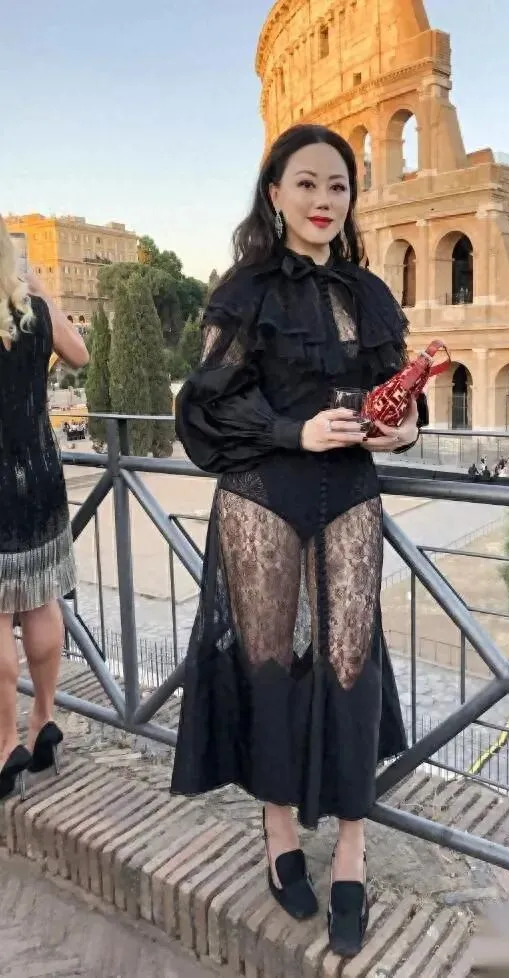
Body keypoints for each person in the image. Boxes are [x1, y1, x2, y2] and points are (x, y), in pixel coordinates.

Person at [170, 124, 422, 958]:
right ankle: (278, 830)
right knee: (268, 666)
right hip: (263, 497)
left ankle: (352, 848)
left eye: (338, 186)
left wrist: (405, 428)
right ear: (275, 193)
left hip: (350, 493)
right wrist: (293, 430)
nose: (323, 200)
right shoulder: (243, 290)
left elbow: (396, 391)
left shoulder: (368, 292)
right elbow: (204, 409)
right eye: (306, 184)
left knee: (351, 665)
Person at [0, 215, 89, 802]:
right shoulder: (33, 311)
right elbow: (79, 354)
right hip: (40, 477)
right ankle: (45, 719)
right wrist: (41, 291)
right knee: (40, 600)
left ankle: (5, 743)